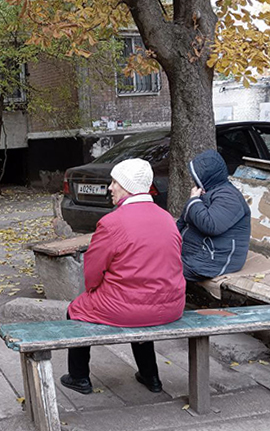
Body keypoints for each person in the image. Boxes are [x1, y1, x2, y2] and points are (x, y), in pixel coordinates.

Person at [61, 158, 185, 395]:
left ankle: (79, 377)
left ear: (127, 186)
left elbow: (92, 272)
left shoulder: (112, 223)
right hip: (172, 305)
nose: (110, 187)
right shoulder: (167, 219)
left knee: (75, 309)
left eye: (115, 182)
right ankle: (151, 376)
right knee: (140, 301)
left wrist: (93, 292)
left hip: (129, 309)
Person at [177, 149, 251, 282]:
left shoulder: (229, 197)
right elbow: (183, 221)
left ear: (207, 176)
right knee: (151, 261)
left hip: (213, 261)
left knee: (160, 272)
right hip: (194, 255)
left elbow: (211, 225)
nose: (194, 180)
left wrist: (194, 201)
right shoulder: (210, 192)